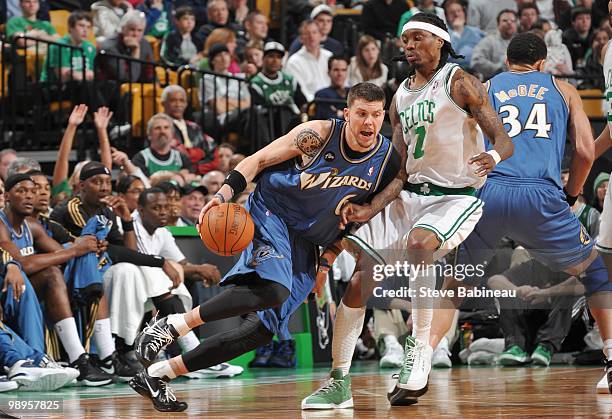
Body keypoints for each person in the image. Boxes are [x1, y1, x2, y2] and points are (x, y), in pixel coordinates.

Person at [129, 82, 401, 412]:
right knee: (273, 290)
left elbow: (355, 219)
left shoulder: (386, 160)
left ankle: (159, 374)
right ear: (347, 114)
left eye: (375, 115)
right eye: (360, 114)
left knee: (259, 332)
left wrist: (326, 263)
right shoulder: (317, 134)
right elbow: (257, 161)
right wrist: (220, 197)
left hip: (310, 240)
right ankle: (170, 326)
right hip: (273, 211)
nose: (369, 123)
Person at [301, 12, 513, 409]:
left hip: (456, 196)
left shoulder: (460, 82)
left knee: (420, 243)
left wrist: (494, 154)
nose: (409, 46)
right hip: (409, 196)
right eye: (405, 41)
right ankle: (339, 382)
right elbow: (398, 169)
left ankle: (419, 348)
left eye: (417, 38)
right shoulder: (399, 94)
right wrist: (370, 207)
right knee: (362, 276)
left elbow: (503, 136)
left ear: (440, 41)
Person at [428, 32, 612, 397]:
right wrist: (572, 193)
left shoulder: (486, 86)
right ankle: (611, 361)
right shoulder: (563, 90)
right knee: (595, 274)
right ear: (542, 63)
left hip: (491, 193)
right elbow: (586, 153)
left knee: (456, 282)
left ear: (506, 61)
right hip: (542, 196)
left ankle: (420, 356)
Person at [285, 20, 333, 102]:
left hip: (335, 101)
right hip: (312, 105)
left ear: (320, 35)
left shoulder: (330, 56)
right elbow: (301, 93)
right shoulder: (294, 62)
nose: (311, 36)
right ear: (301, 39)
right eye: (307, 33)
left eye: (314, 32)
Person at [471, 9, 518, 80]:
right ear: (498, 24)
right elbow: (475, 61)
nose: (509, 23)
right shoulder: (488, 41)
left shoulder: (522, 42)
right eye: (505, 20)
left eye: (513, 21)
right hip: (493, 82)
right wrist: (498, 68)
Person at [314, 56, 349, 120]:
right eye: (336, 70)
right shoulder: (321, 94)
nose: (340, 74)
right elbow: (328, 120)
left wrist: (340, 114)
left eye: (343, 70)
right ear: (329, 72)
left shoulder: (354, 93)